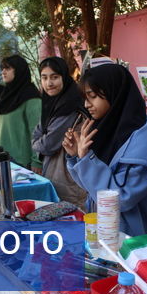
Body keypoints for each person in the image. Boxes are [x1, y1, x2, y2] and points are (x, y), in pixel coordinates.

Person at [62, 64, 147, 237]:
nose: (87, 104)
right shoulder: (108, 128)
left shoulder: (144, 143)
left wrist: (86, 160)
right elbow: (92, 187)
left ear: (114, 93)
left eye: (92, 96)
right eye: (85, 97)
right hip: (108, 232)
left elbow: (120, 198)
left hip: (134, 240)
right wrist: (76, 156)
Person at [32, 57, 87, 208]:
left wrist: (38, 142)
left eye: (54, 77)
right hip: (54, 174)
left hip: (68, 179)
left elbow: (48, 144)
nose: (49, 83)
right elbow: (38, 133)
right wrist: (39, 140)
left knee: (71, 221)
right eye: (44, 78)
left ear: (64, 77)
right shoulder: (52, 104)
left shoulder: (69, 106)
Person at [0, 54, 42, 171]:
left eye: (8, 68)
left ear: (19, 70)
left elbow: (37, 132)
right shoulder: (5, 96)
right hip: (1, 160)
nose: (3, 72)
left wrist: (37, 161)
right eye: (2, 68)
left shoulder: (31, 97)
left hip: (22, 164)